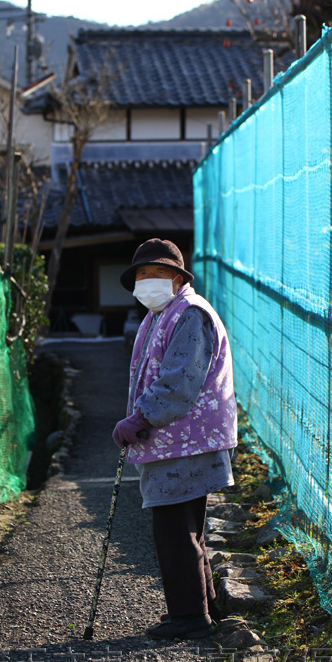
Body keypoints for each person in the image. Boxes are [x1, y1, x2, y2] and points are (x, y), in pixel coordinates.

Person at [112, 238, 237, 640]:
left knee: (173, 528)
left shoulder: (190, 314)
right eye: (142, 274)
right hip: (179, 439)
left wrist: (139, 418)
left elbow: (179, 382)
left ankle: (190, 617)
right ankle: (202, 608)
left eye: (159, 273)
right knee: (185, 527)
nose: (149, 280)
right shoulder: (162, 315)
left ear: (179, 278)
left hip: (187, 438)